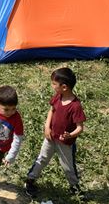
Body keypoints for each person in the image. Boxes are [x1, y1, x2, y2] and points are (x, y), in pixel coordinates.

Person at [25, 67, 87, 197]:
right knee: (41, 159)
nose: (52, 86)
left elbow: (80, 127)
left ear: (64, 87)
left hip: (65, 143)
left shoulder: (75, 106)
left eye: (54, 83)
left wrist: (71, 135)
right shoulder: (58, 97)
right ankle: (30, 180)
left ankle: (74, 187)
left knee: (68, 166)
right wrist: (47, 126)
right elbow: (51, 111)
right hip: (50, 138)